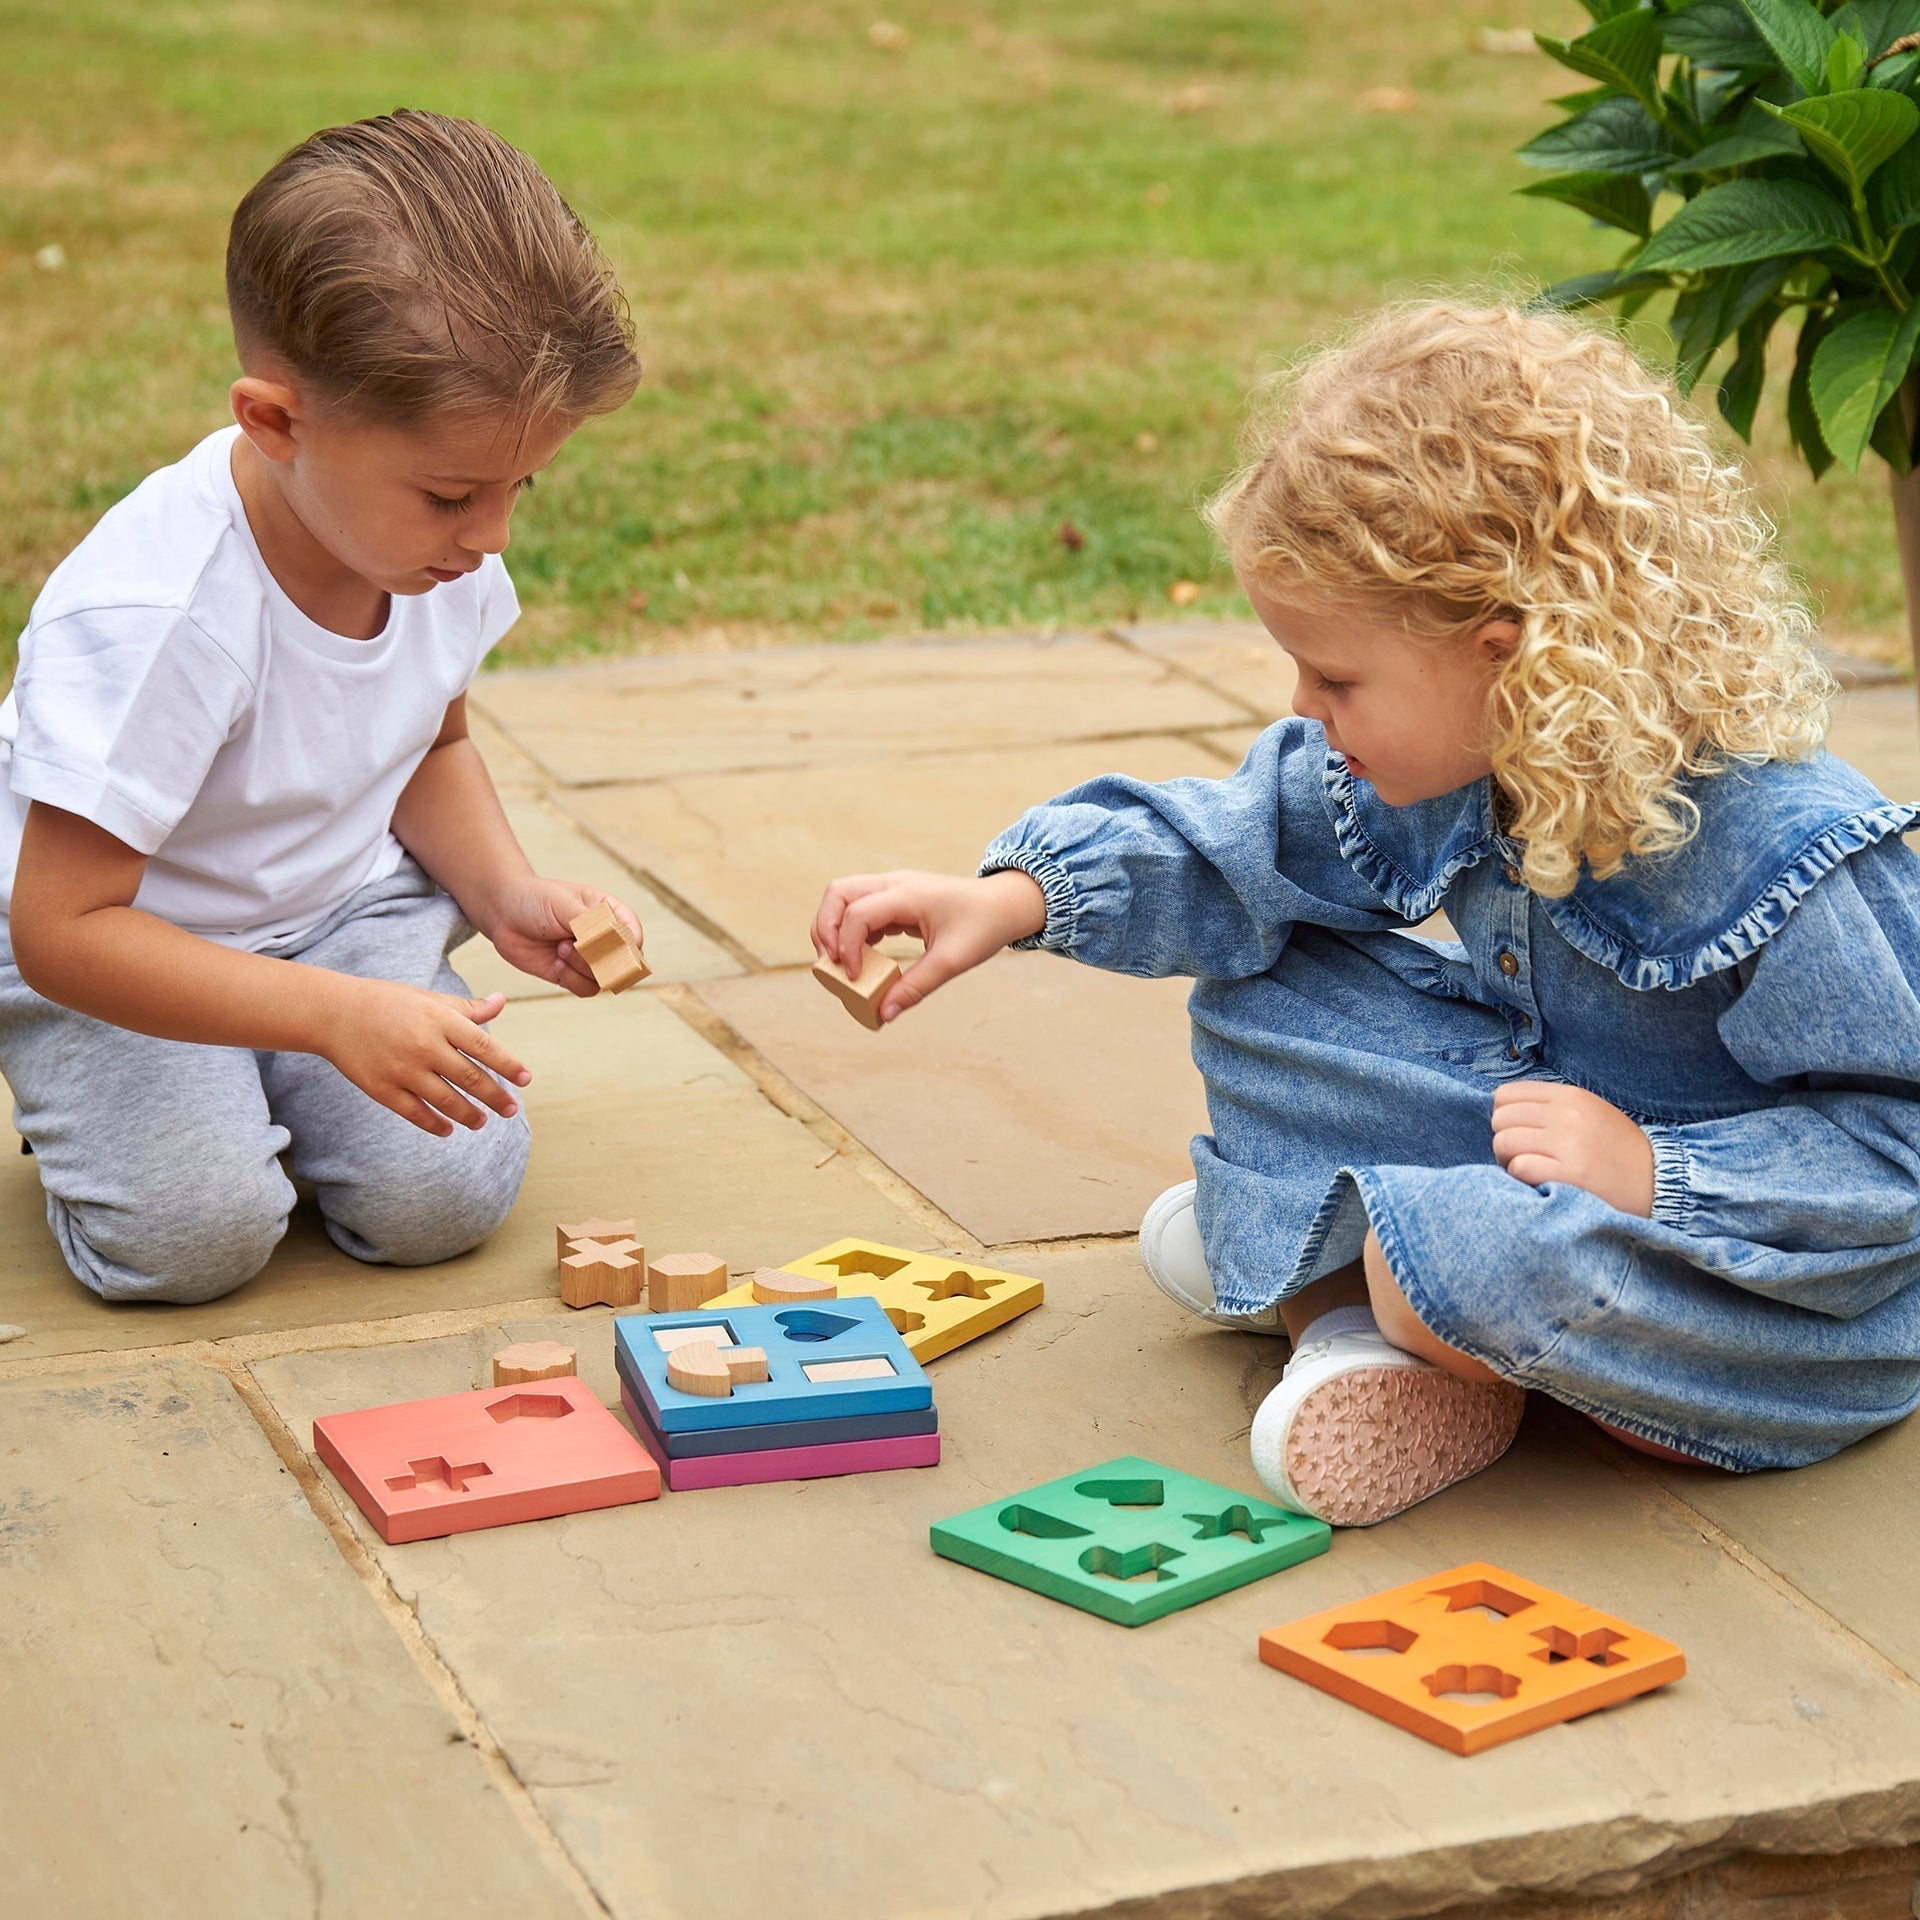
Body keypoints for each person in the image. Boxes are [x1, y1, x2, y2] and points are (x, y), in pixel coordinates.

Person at [811, 301, 1920, 1526]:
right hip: (1544, 1142)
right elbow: (1243, 840)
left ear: (1511, 656)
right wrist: (1008, 899)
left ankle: (1342, 1291)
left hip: (1736, 1277)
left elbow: (1895, 1154)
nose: (1304, 707)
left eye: (1336, 678)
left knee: (1472, 1263)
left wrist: (1657, 1174)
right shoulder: (1463, 755)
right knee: (1265, 997)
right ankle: (1380, 1306)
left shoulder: (1795, 850)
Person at [0, 110, 646, 1304]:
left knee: (440, 1202)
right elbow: (61, 927)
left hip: (341, 913)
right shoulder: (156, 622)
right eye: (455, 491)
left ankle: (282, 1070)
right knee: (193, 1242)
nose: (495, 536)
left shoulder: (430, 552)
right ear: (277, 423)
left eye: (523, 486)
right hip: (128, 946)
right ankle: (107, 1104)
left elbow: (428, 737)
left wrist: (501, 890)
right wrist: (328, 1018)